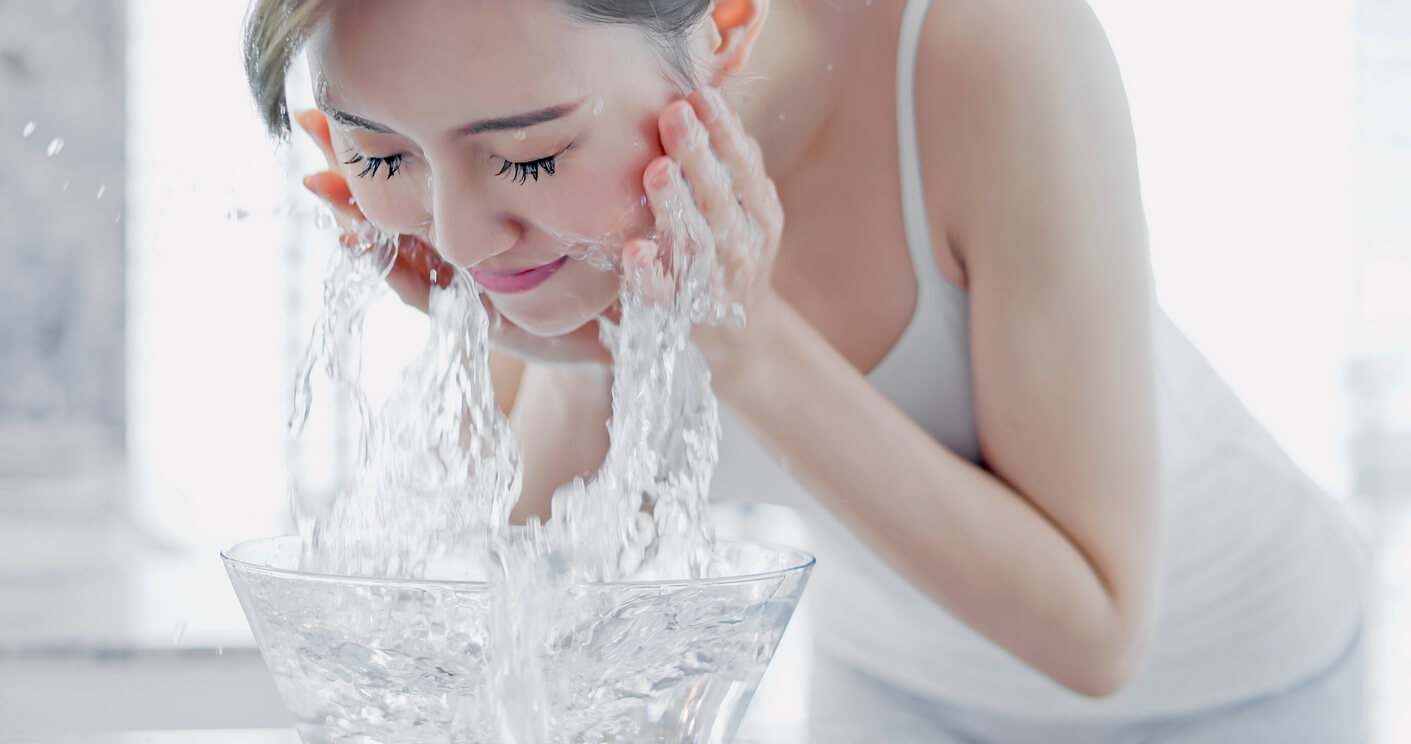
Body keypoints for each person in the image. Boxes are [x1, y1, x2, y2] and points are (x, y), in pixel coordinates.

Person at [245, 0, 1371, 739]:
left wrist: (744, 339)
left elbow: (1098, 633)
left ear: (725, 25)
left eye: (530, 153)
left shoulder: (984, 45)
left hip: (1236, 675)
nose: (461, 232)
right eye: (379, 151)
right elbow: (548, 609)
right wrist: (566, 345)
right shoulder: (516, 237)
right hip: (889, 684)